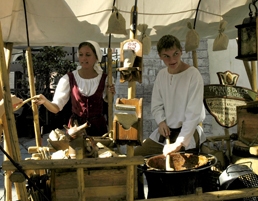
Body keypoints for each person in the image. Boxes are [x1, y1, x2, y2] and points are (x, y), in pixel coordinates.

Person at [134, 35, 206, 157]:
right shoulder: (162, 75)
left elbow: (193, 113)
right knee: (136, 156)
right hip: (166, 132)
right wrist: (161, 122)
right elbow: (156, 105)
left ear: (181, 51)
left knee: (178, 165)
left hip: (188, 132)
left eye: (175, 54)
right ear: (160, 56)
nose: (172, 60)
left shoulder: (193, 75)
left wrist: (180, 142)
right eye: (166, 56)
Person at [33, 40, 115, 136]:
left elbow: (110, 103)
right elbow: (56, 108)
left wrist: (111, 94)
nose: (84, 58)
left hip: (98, 129)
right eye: (81, 54)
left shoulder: (106, 79)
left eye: (88, 55)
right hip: (75, 130)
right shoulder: (68, 78)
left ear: (96, 57)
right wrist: (45, 101)